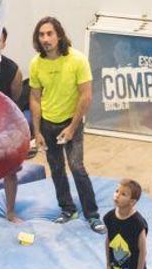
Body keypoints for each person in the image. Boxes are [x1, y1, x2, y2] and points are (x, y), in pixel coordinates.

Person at [29, 16, 105, 233]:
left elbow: (86, 95)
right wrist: (37, 132)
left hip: (71, 122)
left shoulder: (77, 60)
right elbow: (35, 98)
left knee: (77, 167)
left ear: (59, 35)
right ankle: (67, 209)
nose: (45, 39)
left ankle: (92, 214)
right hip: (48, 124)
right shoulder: (36, 64)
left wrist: (72, 127)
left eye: (49, 34)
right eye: (41, 35)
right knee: (56, 169)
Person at [0, 27, 25, 223]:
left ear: (4, 43)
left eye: (0, 39)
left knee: (10, 170)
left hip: (4, 125)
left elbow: (15, 102)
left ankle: (10, 212)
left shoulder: (13, 70)